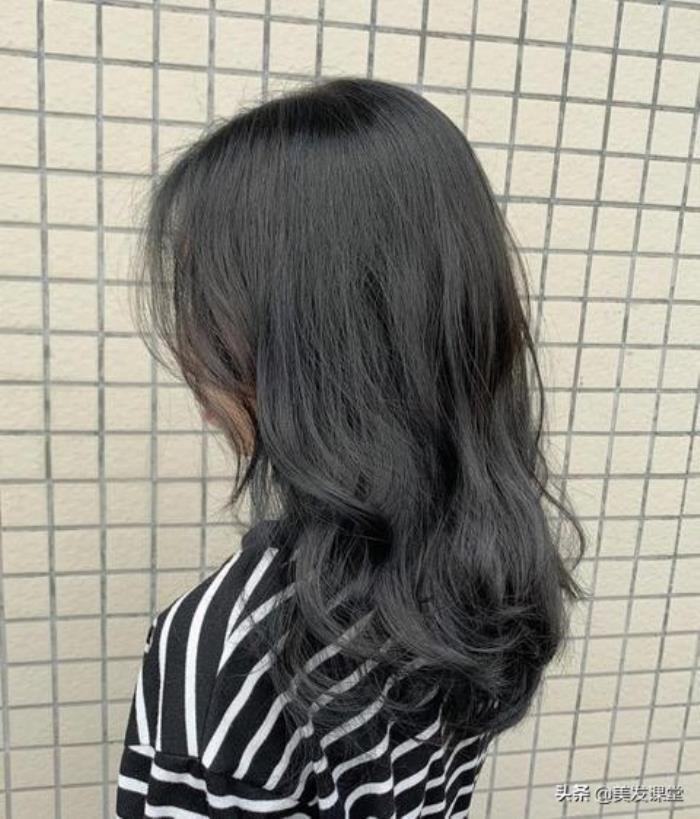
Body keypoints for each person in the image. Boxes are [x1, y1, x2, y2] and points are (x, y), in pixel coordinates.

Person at [116, 76, 586, 818]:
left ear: (318, 331)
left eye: (211, 301)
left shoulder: (232, 650)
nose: (188, 343)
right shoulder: (478, 570)